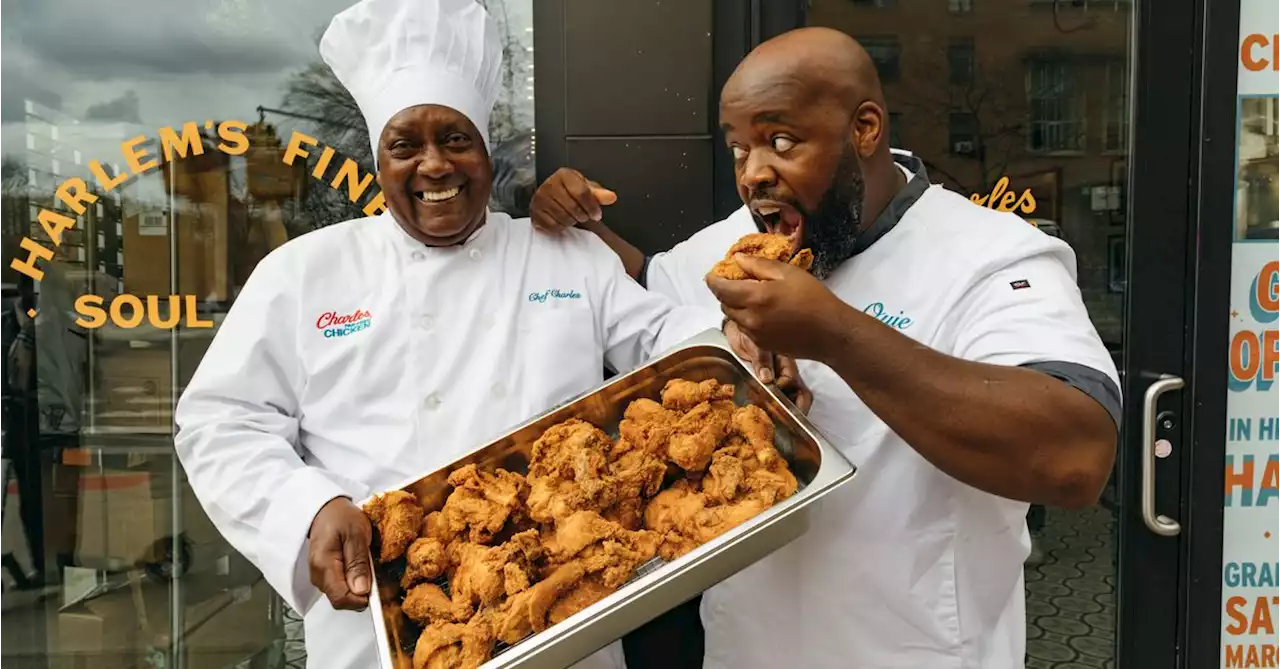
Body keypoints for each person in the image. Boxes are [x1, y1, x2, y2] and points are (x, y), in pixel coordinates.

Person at [530, 27, 1120, 669]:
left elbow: (1074, 457)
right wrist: (575, 222)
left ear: (864, 129)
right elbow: (641, 293)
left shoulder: (989, 255)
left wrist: (833, 334)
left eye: (781, 141)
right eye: (738, 149)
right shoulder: (729, 248)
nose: (754, 173)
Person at [172, 1, 736, 667]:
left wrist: (746, 356)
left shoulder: (566, 256)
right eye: (405, 145)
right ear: (379, 161)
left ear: (486, 151)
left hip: (558, 615)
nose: (434, 165)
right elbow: (219, 418)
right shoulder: (302, 273)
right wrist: (310, 507)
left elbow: (670, 342)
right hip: (377, 632)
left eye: (456, 139)